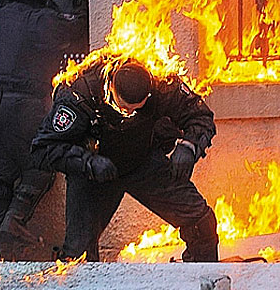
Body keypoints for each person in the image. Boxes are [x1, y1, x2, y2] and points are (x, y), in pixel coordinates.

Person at [31, 58, 219, 262]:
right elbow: (44, 148)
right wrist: (88, 163)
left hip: (143, 162)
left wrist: (189, 146)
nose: (129, 113)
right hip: (94, 172)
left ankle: (203, 278)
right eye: (124, 108)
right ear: (111, 87)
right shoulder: (79, 94)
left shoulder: (161, 82)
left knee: (201, 224)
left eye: (137, 109)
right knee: (78, 256)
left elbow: (200, 116)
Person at [0, 0, 85, 259]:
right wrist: (76, 6)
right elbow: (73, 29)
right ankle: (13, 222)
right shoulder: (39, 19)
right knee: (43, 163)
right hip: (22, 105)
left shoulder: (0, 13)